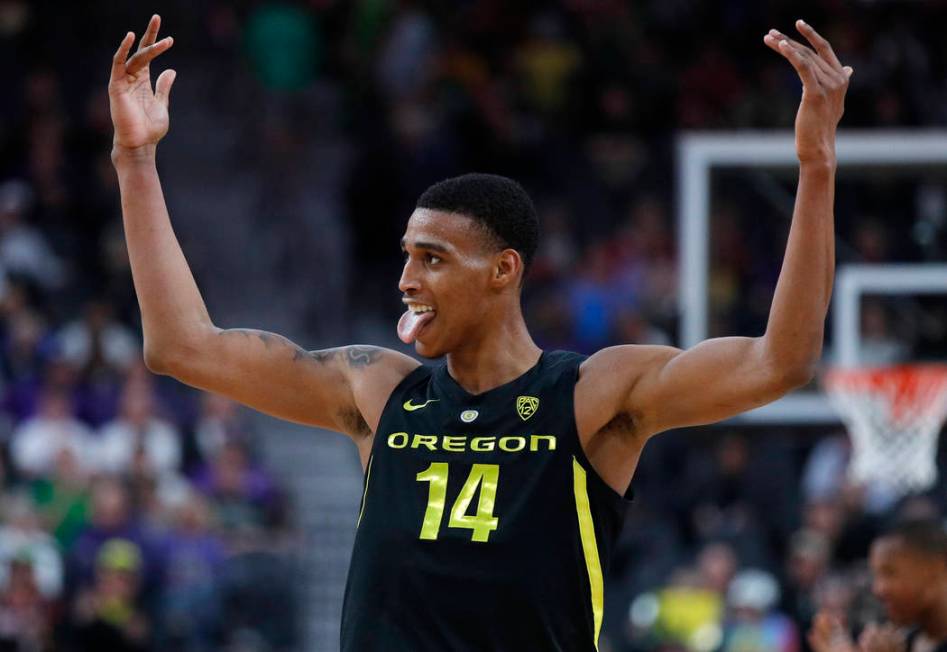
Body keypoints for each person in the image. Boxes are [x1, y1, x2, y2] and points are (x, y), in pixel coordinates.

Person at [107, 14, 851, 651]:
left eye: (432, 260)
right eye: (405, 257)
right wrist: (135, 159)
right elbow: (181, 346)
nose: (406, 280)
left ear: (502, 271)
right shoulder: (377, 388)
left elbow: (777, 363)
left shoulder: (592, 393)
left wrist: (815, 168)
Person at [809, 519, 947, 652]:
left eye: (890, 573)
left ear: (934, 571)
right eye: (876, 576)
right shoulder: (905, 642)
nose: (878, 589)